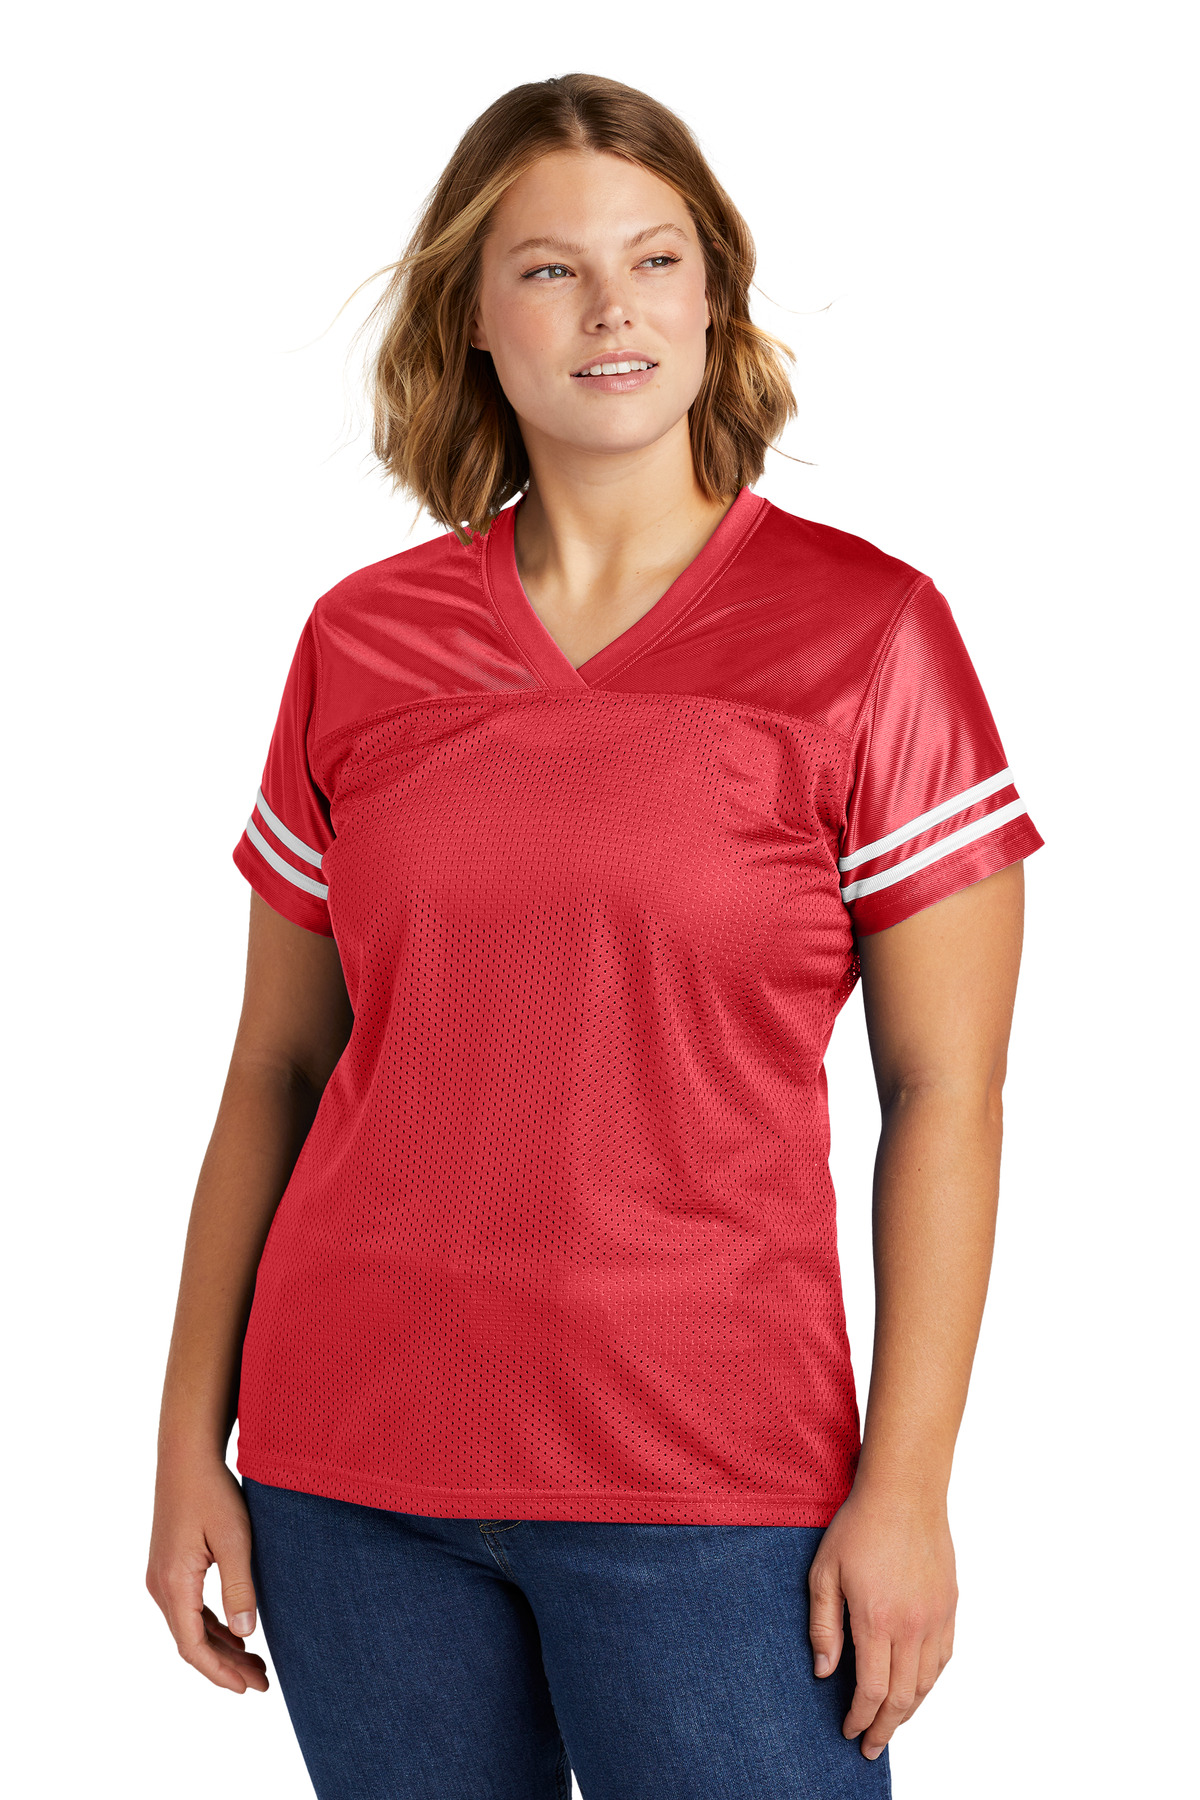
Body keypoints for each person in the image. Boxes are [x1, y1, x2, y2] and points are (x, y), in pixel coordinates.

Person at [147, 71, 1044, 1800]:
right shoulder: (361, 642)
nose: (611, 307)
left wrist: (910, 1483)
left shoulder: (870, 637)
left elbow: (948, 1092)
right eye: (550, 270)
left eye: (656, 258)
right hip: (350, 1478)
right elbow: (278, 1067)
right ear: (476, 321)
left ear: (714, 295)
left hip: (713, 1481)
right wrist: (192, 1438)